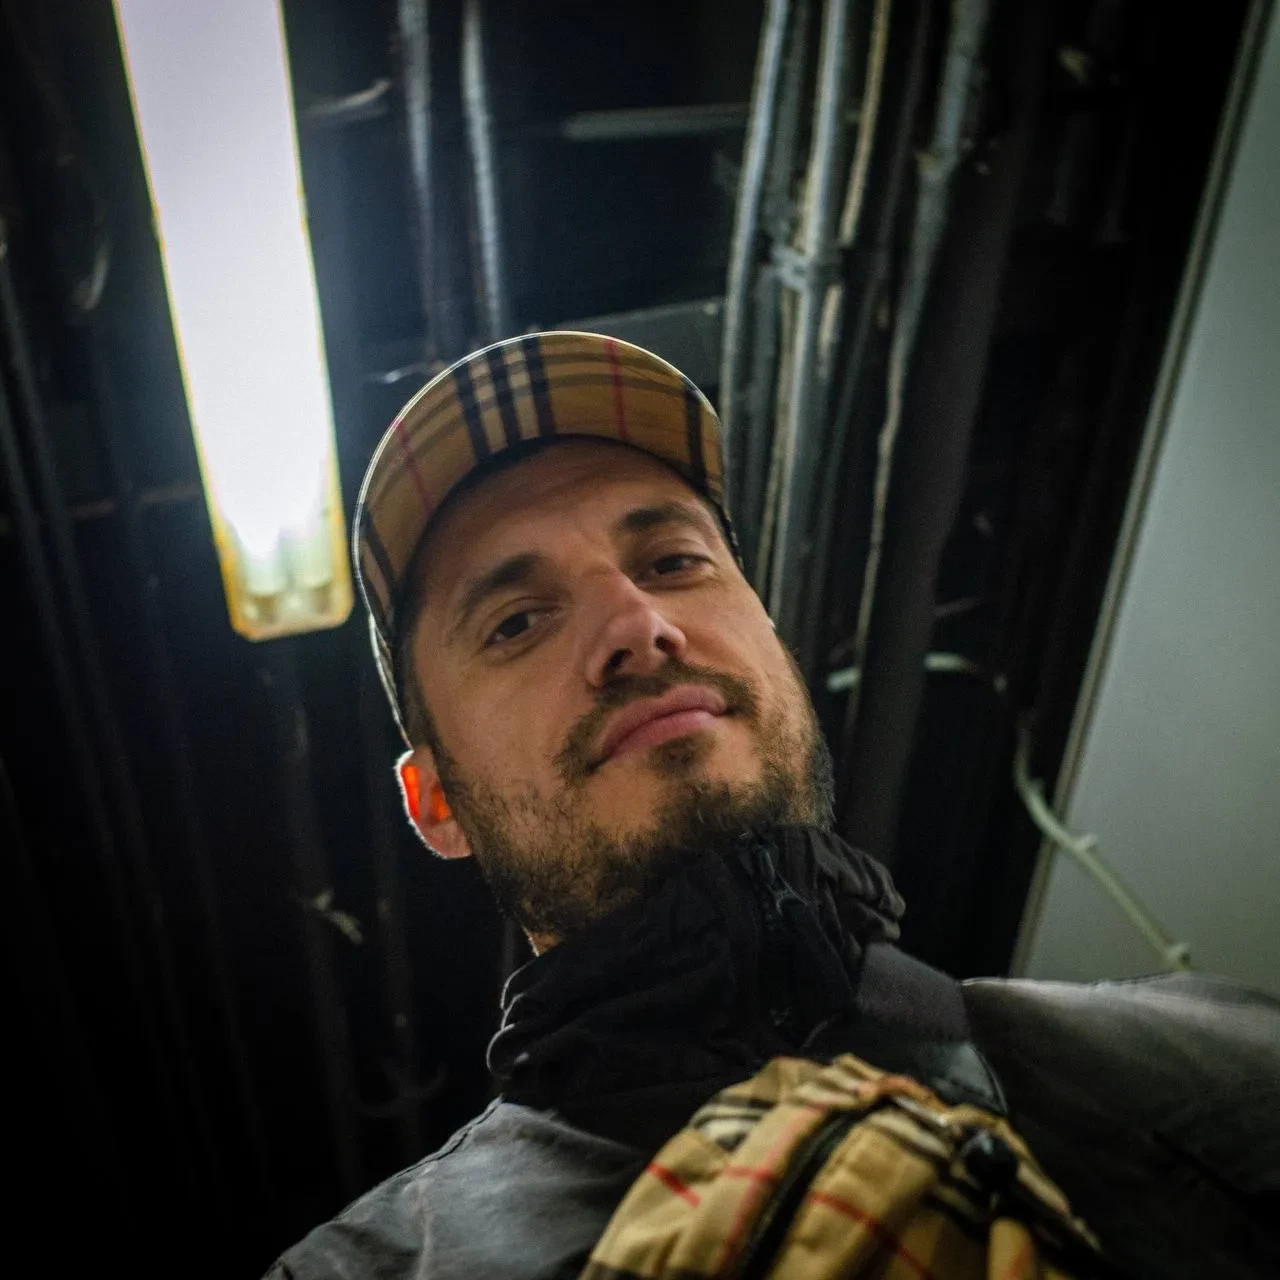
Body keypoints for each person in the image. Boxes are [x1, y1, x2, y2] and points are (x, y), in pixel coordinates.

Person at [267, 333, 1280, 1280]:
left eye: (672, 562)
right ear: (438, 800)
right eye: (517, 621)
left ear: (776, 648)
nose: (636, 623)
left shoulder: (1235, 1062)